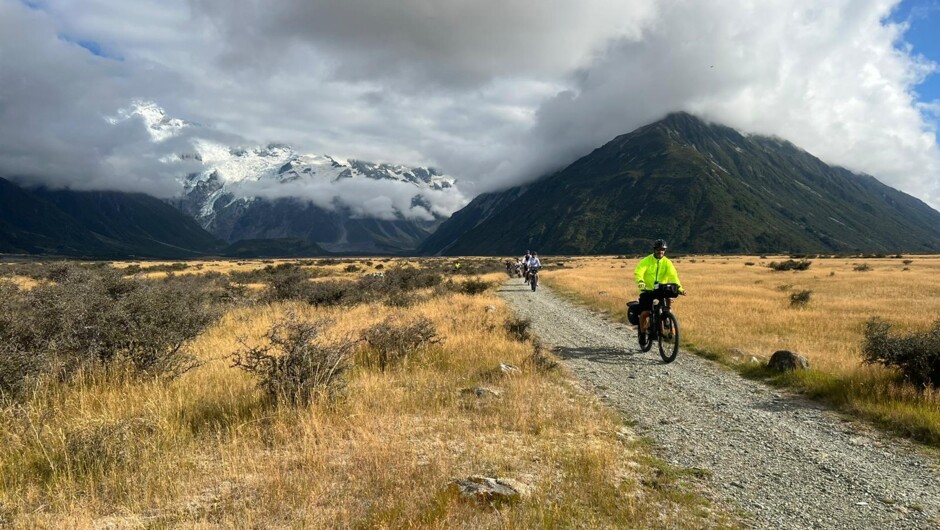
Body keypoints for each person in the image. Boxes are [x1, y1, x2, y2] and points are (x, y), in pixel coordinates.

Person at [634, 239, 685, 337]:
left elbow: (673, 276)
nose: (660, 251)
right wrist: (641, 282)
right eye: (658, 249)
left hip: (662, 289)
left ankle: (668, 320)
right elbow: (639, 272)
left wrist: (679, 288)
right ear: (654, 250)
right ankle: (642, 334)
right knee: (645, 313)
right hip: (647, 290)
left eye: (662, 249)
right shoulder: (646, 261)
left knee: (668, 302)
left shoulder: (667, 262)